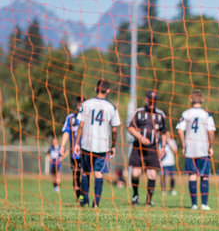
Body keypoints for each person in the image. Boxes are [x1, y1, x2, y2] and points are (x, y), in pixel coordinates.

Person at [73, 80, 121, 208]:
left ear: (95, 88)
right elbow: (114, 129)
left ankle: (84, 201)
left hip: (86, 144)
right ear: (108, 90)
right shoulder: (111, 107)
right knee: (99, 173)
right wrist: (113, 145)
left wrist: (77, 143)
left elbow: (81, 124)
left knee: (85, 172)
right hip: (102, 146)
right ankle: (96, 203)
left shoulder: (86, 104)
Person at [176, 89, 216, 210]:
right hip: (203, 148)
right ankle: (204, 204)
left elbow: (179, 130)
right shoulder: (206, 114)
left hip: (190, 149)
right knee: (204, 175)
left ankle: (194, 204)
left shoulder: (186, 113)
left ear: (191, 100)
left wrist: (183, 145)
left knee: (192, 175)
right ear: (202, 100)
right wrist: (211, 146)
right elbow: (211, 131)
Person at [128, 90, 168, 207]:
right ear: (146, 100)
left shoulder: (160, 115)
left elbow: (164, 132)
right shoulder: (139, 112)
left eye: (154, 101)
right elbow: (130, 128)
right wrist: (140, 137)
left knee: (152, 174)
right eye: (150, 101)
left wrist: (163, 147)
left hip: (153, 148)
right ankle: (135, 195)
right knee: (136, 173)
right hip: (138, 147)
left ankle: (149, 200)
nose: (152, 103)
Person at [60, 96, 84, 201]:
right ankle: (78, 196)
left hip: (86, 151)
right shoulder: (70, 118)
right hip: (74, 152)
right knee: (76, 173)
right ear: (76, 104)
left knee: (85, 173)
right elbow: (66, 132)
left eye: (82, 104)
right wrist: (62, 146)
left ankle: (84, 195)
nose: (80, 106)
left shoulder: (88, 118)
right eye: (79, 104)